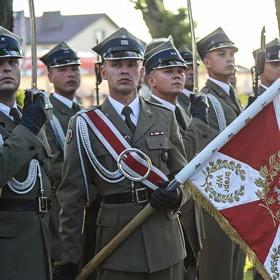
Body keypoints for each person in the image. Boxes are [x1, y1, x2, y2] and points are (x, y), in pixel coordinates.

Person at [53, 27, 188, 280]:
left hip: (165, 243)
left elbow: (186, 177)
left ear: (142, 71)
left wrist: (177, 196)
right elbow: (71, 196)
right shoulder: (85, 125)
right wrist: (68, 258)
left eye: (131, 63)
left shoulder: (164, 116)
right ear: (103, 71)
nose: (124, 70)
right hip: (116, 247)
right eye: (116, 64)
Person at [144, 38, 215, 280]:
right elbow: (180, 158)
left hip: (190, 214)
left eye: (180, 71)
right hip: (167, 219)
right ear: (151, 80)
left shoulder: (182, 111)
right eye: (168, 71)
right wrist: (199, 123)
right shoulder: (149, 114)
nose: (178, 76)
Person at [0, 26, 53, 279]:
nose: (7, 68)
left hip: (39, 233)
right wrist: (29, 127)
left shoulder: (26, 115)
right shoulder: (28, 122)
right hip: (8, 245)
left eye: (12, 61)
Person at [196, 27, 245, 280]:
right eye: (221, 54)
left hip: (236, 195)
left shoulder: (230, 97)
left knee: (235, 268)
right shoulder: (205, 100)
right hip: (217, 198)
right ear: (206, 61)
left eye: (231, 54)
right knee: (218, 269)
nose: (229, 59)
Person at [40, 41, 82, 262]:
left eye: (74, 68)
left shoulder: (84, 112)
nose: (70, 74)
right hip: (60, 205)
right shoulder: (45, 114)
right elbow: (52, 163)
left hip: (88, 202)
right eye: (63, 69)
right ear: (50, 76)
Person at [178, 46, 200, 116]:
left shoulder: (203, 97)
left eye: (194, 68)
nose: (192, 73)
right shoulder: (176, 101)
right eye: (187, 69)